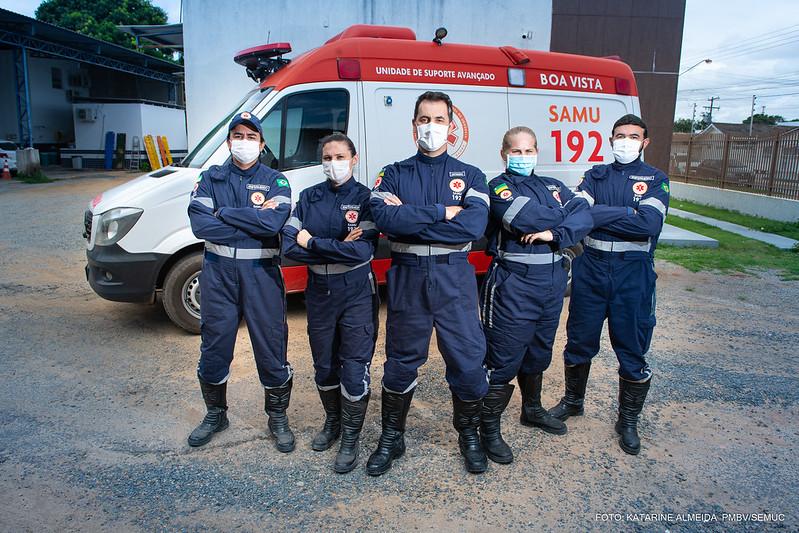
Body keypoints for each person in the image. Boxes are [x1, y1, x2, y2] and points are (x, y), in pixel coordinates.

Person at [367, 91, 491, 475]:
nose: (431, 127)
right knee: (401, 362)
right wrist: (441, 212)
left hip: (454, 277)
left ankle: (468, 434)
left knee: (469, 361)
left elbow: (473, 225)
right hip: (408, 277)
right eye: (424, 119)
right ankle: (392, 435)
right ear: (413, 126)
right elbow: (387, 221)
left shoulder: (472, 175)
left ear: (451, 127)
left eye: (439, 120)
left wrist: (412, 214)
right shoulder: (394, 173)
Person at [549, 114, 669, 455]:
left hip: (633, 272)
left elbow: (648, 223)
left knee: (631, 345)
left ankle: (627, 421)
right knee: (579, 339)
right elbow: (576, 212)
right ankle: (573, 402)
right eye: (620, 135)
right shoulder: (595, 175)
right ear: (610, 138)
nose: (626, 141)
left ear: (645, 142)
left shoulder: (656, 179)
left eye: (634, 136)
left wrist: (602, 212)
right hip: (592, 267)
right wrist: (625, 213)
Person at [480, 126, 592, 464]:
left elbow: (586, 216)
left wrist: (553, 235)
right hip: (515, 281)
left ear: (537, 152)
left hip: (553, 280)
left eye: (529, 151)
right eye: (517, 151)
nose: (523, 157)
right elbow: (521, 217)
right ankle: (488, 428)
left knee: (539, 349)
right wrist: (562, 224)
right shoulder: (498, 186)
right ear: (504, 153)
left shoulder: (554, 186)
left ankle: (532, 409)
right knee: (503, 354)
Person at [186, 112, 295, 452]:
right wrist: (252, 223)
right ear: (228, 141)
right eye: (237, 135)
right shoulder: (211, 178)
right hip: (218, 275)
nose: (243, 141)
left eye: (251, 136)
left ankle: (277, 417)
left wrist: (226, 214)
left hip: (261, 276)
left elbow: (273, 224)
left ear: (262, 144)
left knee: (271, 345)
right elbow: (201, 226)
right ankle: (216, 414)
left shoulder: (277, 181)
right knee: (215, 346)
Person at [282, 132, 379, 473]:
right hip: (319, 292)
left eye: (340, 157)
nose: (333, 163)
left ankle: (351, 438)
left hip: (355, 291)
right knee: (324, 364)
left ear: (354, 159)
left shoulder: (367, 199)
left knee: (353, 366)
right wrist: (334, 242)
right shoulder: (308, 197)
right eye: (327, 158)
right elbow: (288, 246)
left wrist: (312, 241)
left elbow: (363, 250)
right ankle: (333, 422)